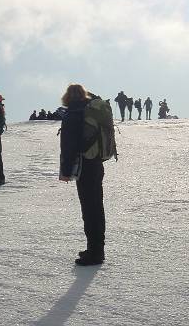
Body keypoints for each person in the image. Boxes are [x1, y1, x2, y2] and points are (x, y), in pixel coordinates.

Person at [59, 84, 106, 266]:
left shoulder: (73, 113)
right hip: (96, 163)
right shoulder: (91, 109)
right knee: (97, 207)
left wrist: (65, 171)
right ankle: (96, 249)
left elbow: (69, 145)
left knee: (89, 209)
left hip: (83, 166)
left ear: (67, 96)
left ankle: (95, 253)